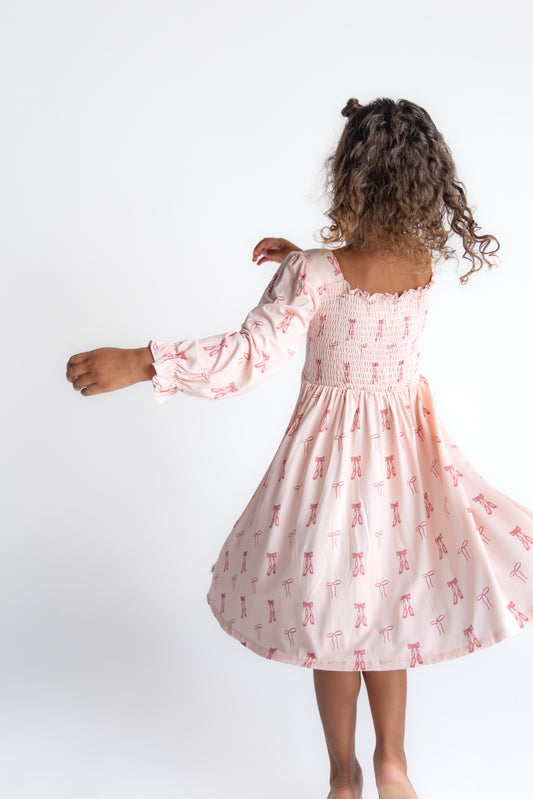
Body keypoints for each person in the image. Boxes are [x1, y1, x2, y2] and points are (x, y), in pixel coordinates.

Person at [65, 97, 533, 799]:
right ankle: (393, 762)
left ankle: (342, 773)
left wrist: (142, 360)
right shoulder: (418, 267)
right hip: (406, 468)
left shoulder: (314, 276)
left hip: (333, 475)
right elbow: (349, 277)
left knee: (337, 614)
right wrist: (301, 260)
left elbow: (246, 357)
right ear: (424, 185)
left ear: (348, 176)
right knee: (388, 610)